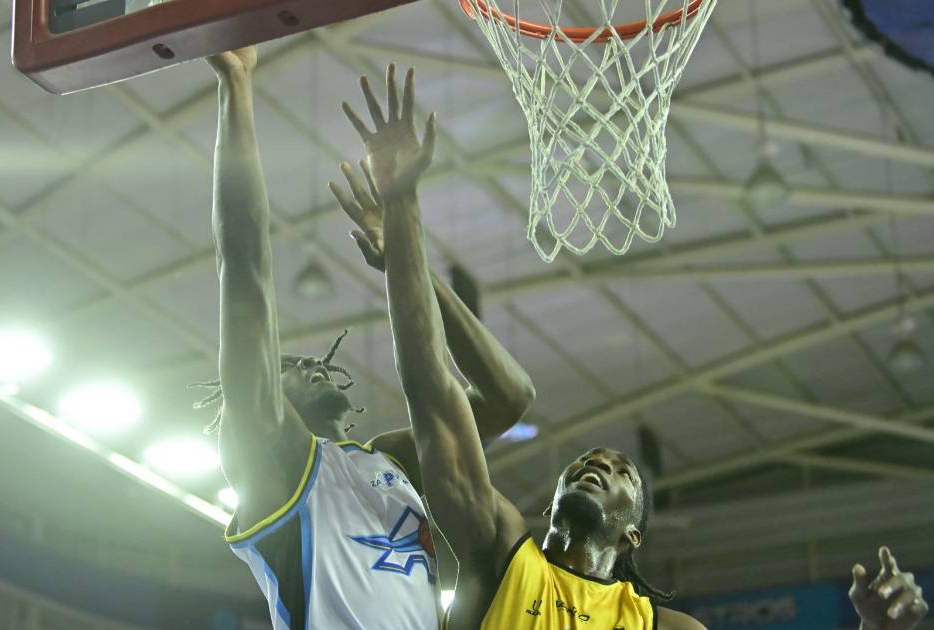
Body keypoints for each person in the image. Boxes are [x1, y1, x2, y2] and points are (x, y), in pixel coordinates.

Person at [343, 62, 930, 630]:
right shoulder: (498, 554)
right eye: (586, 464)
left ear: (632, 535)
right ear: (550, 505)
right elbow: (432, 392)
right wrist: (403, 206)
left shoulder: (667, 627)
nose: (597, 464)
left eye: (621, 471)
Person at [199, 47, 536, 629]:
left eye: (316, 362)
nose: (313, 367)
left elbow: (509, 398)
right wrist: (237, 86)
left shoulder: (392, 461)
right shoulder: (273, 461)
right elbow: (244, 267)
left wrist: (407, 254)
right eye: (292, 368)